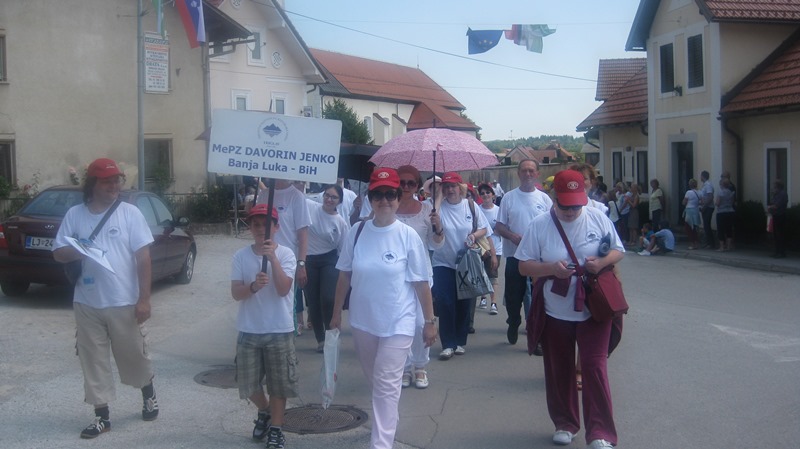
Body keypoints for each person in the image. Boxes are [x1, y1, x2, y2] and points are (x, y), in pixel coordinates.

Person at [517, 169, 625, 449]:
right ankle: (565, 423)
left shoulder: (597, 217)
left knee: (594, 367)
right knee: (559, 368)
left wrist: (600, 264)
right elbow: (524, 266)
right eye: (565, 206)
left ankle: (600, 432)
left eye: (576, 205)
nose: (571, 211)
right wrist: (550, 269)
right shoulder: (540, 225)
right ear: (554, 198)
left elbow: (618, 250)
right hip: (556, 309)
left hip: (594, 308)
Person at [330, 167, 437, 449]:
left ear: (399, 198)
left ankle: (381, 443)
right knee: (377, 383)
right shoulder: (357, 232)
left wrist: (429, 321)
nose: (384, 200)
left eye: (391, 194)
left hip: (398, 323)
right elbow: (344, 275)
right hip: (363, 322)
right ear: (370, 198)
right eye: (378, 195)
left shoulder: (408, 236)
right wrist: (335, 314)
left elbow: (421, 283)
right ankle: (387, 421)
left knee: (387, 385)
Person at [52, 158, 159, 439]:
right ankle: (102, 416)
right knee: (93, 361)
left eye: (116, 181)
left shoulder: (130, 213)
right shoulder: (75, 215)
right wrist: (79, 249)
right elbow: (58, 253)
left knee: (134, 355)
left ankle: (148, 394)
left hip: (124, 301)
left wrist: (144, 299)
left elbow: (143, 258)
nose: (114, 186)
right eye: (107, 181)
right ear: (93, 184)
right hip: (87, 302)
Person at [230, 203, 297, 448]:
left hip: (279, 329)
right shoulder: (240, 256)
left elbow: (283, 289)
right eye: (256, 225)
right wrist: (253, 287)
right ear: (250, 228)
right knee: (247, 384)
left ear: (276, 228)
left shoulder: (287, 254)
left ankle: (276, 429)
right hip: (249, 329)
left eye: (266, 225)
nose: (261, 229)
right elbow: (236, 293)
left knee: (279, 384)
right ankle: (266, 410)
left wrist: (272, 259)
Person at [431, 171, 494, 359]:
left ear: (460, 188)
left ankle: (459, 341)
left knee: (464, 303)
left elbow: (484, 228)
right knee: (445, 302)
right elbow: (433, 220)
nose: (450, 190)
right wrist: (438, 197)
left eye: (453, 186)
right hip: (442, 262)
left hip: (466, 262)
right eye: (446, 187)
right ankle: (447, 344)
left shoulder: (470, 206)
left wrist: (474, 236)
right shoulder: (438, 207)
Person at [395, 165, 444, 390]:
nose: (406, 187)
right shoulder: (388, 207)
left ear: (417, 186)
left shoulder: (427, 210)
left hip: (421, 273)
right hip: (394, 275)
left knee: (419, 323)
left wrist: (438, 227)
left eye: (411, 183)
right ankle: (404, 367)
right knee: (399, 323)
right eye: (402, 182)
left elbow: (437, 244)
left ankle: (420, 365)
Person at [495, 159, 553, 346]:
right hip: (515, 256)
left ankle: (536, 336)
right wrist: (512, 236)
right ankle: (513, 321)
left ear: (537, 173)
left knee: (537, 297)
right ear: (518, 173)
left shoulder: (545, 199)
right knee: (514, 296)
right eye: (524, 170)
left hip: (538, 258)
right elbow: (499, 226)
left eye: (531, 171)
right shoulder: (509, 198)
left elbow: (553, 227)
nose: (528, 174)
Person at [256, 178, 311, 333]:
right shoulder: (264, 195)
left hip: (287, 260)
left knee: (286, 304)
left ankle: (287, 339)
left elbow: (303, 235)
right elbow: (257, 225)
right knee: (265, 300)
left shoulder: (296, 196)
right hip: (264, 257)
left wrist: (301, 264)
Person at [305, 185, 350, 352]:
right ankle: (321, 339)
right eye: (327, 195)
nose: (329, 199)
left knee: (328, 298)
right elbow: (296, 195)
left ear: (340, 201)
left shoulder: (340, 222)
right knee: (313, 301)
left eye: (334, 197)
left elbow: (344, 249)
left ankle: (331, 333)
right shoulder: (311, 207)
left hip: (329, 259)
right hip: (309, 259)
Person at [477, 183, 502, 316]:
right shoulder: (477, 209)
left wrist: (497, 230)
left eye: (488, 192)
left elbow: (504, 226)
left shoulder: (499, 210)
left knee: (492, 274)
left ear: (493, 195)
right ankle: (483, 297)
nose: (485, 195)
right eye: (482, 193)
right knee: (481, 273)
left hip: (496, 248)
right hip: (481, 247)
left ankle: (493, 302)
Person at [767, 179, 788, 258]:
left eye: (774, 186)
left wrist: (770, 207)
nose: (773, 188)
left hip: (780, 216)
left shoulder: (782, 194)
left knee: (780, 234)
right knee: (775, 234)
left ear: (778, 186)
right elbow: (773, 203)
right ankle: (777, 251)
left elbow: (777, 205)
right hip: (775, 216)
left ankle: (781, 252)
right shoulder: (776, 194)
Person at [715, 178, 736, 252]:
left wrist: (716, 203)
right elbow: (732, 202)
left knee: (720, 229)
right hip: (730, 211)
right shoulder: (731, 192)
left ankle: (722, 247)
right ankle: (729, 246)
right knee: (729, 229)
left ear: (722, 184)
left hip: (721, 212)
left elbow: (717, 203)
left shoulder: (720, 192)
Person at [682, 179, 702, 249]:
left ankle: (692, 244)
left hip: (689, 212)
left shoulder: (688, 192)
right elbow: (701, 202)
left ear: (690, 185)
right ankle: (696, 243)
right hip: (696, 211)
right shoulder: (699, 192)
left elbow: (684, 202)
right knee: (695, 228)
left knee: (688, 228)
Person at [699, 170, 716, 249]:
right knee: (706, 225)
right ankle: (709, 242)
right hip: (705, 207)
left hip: (708, 207)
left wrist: (704, 206)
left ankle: (711, 243)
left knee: (707, 225)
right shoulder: (704, 185)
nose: (700, 177)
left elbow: (710, 197)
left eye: (701, 176)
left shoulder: (708, 185)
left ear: (703, 176)